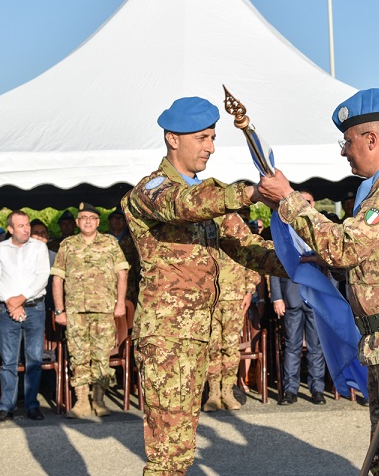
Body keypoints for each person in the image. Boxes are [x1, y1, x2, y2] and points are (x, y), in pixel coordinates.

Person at [258, 88, 379, 475]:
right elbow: (378, 260)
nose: (344, 151)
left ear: (371, 139)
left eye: (347, 141)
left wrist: (289, 199)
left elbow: (347, 246)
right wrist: (335, 267)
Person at [121, 96, 285, 475]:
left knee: (181, 450)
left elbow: (246, 247)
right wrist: (252, 193)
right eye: (202, 137)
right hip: (168, 339)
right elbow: (184, 205)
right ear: (172, 138)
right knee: (169, 456)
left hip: (197, 337)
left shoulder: (209, 199)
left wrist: (307, 264)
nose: (211, 147)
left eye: (213, 137)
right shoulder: (153, 189)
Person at [51, 203, 129, 419]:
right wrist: (59, 310)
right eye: (83, 217)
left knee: (101, 356)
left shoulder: (110, 243)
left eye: (91, 218)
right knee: (78, 356)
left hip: (104, 310)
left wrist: (120, 303)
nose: (87, 221)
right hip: (76, 311)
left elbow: (122, 273)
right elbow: (58, 278)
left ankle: (99, 399)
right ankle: (82, 401)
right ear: (77, 222)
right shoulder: (67, 245)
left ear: (97, 222)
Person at [0, 210, 51, 422]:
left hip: (34, 308)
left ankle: (32, 405)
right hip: (8, 311)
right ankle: (7, 406)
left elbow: (42, 277)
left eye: (27, 225)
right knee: (9, 361)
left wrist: (21, 298)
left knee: (33, 359)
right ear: (10, 229)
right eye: (21, 226)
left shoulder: (39, 247)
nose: (26, 229)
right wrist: (11, 302)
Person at [269, 191, 327, 406]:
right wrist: (277, 297)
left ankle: (317, 389)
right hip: (291, 296)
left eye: (308, 201)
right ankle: (290, 390)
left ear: (314, 204)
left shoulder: (321, 230)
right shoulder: (286, 231)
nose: (304, 204)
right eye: (301, 201)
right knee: (292, 346)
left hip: (316, 296)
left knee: (316, 346)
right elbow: (275, 265)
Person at [202, 249, 261, 412]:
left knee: (231, 348)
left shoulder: (235, 232)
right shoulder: (204, 231)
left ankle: (227, 392)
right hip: (211, 300)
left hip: (235, 299)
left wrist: (249, 291)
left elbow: (251, 262)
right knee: (212, 348)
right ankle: (213, 393)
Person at [108, 208, 140, 304]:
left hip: (128, 288)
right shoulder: (102, 240)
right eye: (115, 218)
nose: (117, 221)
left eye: (121, 218)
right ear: (109, 221)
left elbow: (138, 265)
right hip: (106, 288)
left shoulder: (134, 241)